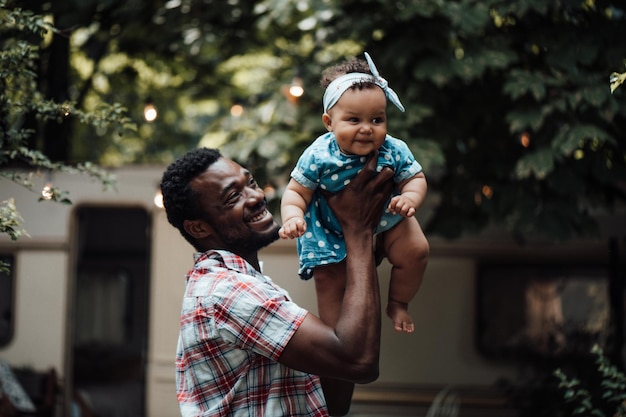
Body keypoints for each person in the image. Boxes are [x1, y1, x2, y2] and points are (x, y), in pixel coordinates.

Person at [160, 147, 395, 416]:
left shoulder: (246, 284)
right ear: (199, 227)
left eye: (250, 183)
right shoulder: (228, 292)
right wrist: (359, 231)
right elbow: (359, 362)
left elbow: (334, 398)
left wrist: (347, 257)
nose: (258, 196)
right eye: (233, 196)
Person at [279, 52, 429, 333]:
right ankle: (335, 335)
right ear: (329, 122)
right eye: (353, 120)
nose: (366, 129)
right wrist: (292, 217)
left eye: (376, 120)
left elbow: (416, 178)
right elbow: (296, 192)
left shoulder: (393, 150)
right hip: (330, 229)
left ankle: (398, 302)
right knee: (330, 281)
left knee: (417, 250)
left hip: (388, 215)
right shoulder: (318, 155)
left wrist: (409, 198)